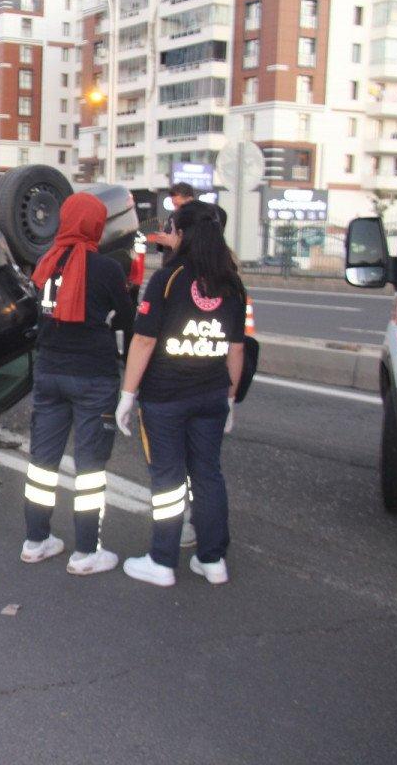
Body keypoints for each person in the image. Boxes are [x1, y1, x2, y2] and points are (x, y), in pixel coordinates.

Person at [115, 200, 246, 587]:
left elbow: (143, 340)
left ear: (183, 234)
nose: (168, 235)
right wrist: (230, 398)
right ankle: (213, 560)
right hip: (211, 394)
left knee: (168, 478)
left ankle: (162, 560)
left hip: (166, 398)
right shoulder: (232, 282)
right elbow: (236, 349)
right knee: (207, 475)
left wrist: (127, 394)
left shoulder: (169, 278)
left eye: (172, 229)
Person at [20, 193, 135, 575]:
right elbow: (125, 319)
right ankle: (86, 552)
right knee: (89, 467)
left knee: (42, 463)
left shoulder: (47, 262)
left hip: (50, 371)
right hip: (93, 377)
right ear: (96, 225)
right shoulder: (106, 269)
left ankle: (36, 541)